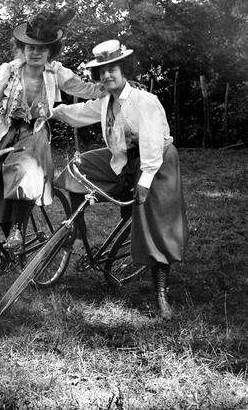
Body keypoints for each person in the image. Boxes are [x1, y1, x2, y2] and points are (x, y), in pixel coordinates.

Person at [51, 39, 188, 320]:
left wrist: (145, 180)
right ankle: (78, 229)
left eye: (112, 69)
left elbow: (152, 145)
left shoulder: (144, 101)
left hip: (157, 161)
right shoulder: (106, 101)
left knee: (154, 220)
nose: (107, 76)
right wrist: (51, 112)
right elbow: (80, 112)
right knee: (80, 166)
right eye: (101, 72)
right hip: (125, 158)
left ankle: (160, 293)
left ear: (124, 69)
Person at [0, 10, 102, 250]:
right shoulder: (8, 71)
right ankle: (11, 244)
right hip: (3, 132)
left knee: (25, 173)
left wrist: (116, 87)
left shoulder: (56, 72)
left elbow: (86, 89)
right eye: (30, 47)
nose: (36, 52)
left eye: (42, 48)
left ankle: (19, 228)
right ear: (22, 48)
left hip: (34, 133)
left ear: (50, 51)